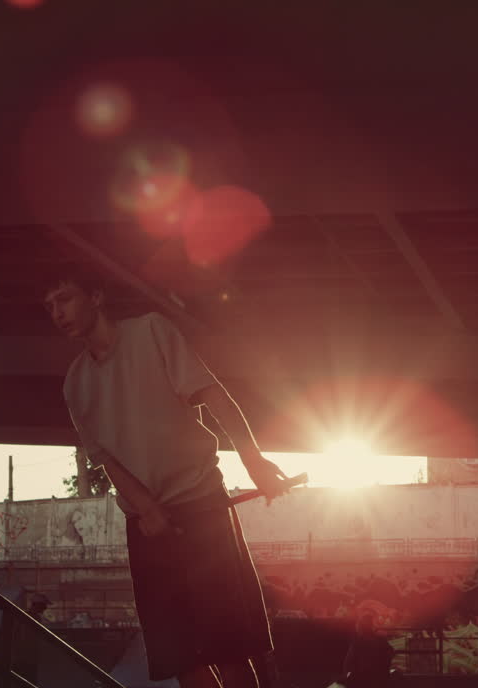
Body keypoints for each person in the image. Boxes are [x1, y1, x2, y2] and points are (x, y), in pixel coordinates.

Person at [46, 265, 292, 688]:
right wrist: (146, 507)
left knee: (229, 648)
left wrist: (254, 462)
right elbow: (106, 459)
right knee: (182, 659)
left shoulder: (151, 332)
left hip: (202, 506)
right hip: (147, 526)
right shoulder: (75, 382)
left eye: (64, 298)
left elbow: (214, 397)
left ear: (97, 297)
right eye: (49, 306)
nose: (56, 312)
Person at [341, 614, 394, 688]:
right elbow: (390, 654)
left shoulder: (357, 642)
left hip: (363, 682)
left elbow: (348, 665)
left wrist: (348, 676)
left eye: (357, 624)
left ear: (360, 626)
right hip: (381, 680)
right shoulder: (381, 640)